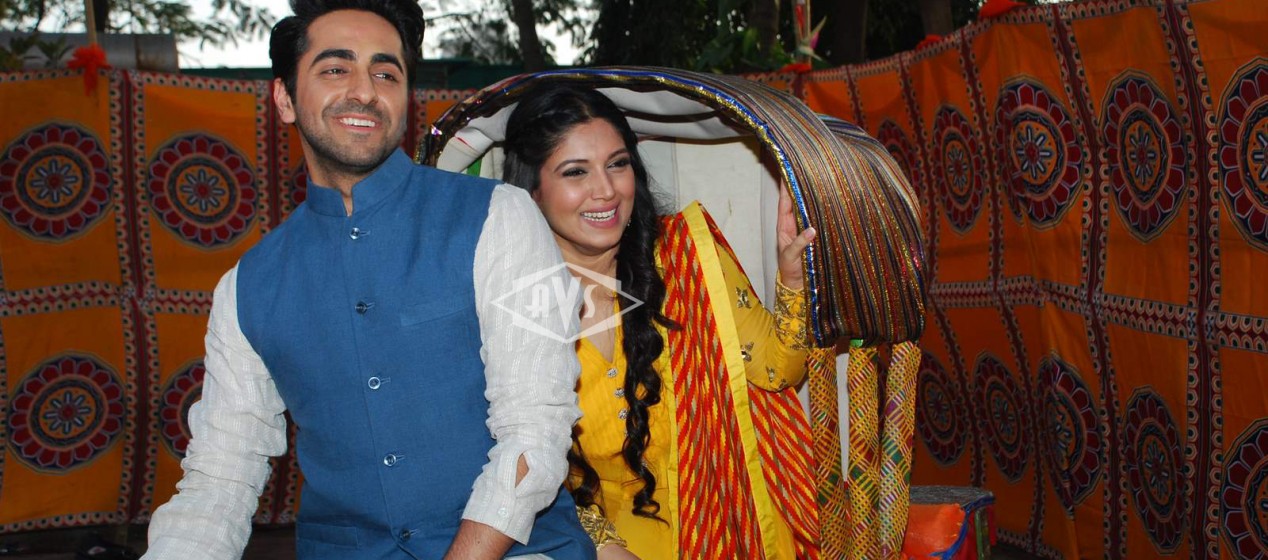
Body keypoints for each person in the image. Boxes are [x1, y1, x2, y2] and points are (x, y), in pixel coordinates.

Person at [143, 1, 594, 559]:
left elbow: (536, 429)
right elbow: (220, 478)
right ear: (284, 98)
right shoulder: (247, 287)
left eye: (386, 74)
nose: (364, 91)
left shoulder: (499, 216)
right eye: (336, 69)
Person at [501, 85, 821, 559]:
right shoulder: (510, 306)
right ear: (532, 191)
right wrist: (601, 543)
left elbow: (779, 370)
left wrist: (792, 280)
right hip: (602, 536)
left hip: (732, 517)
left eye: (617, 164)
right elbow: (517, 463)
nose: (606, 190)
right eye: (575, 172)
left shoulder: (686, 261)